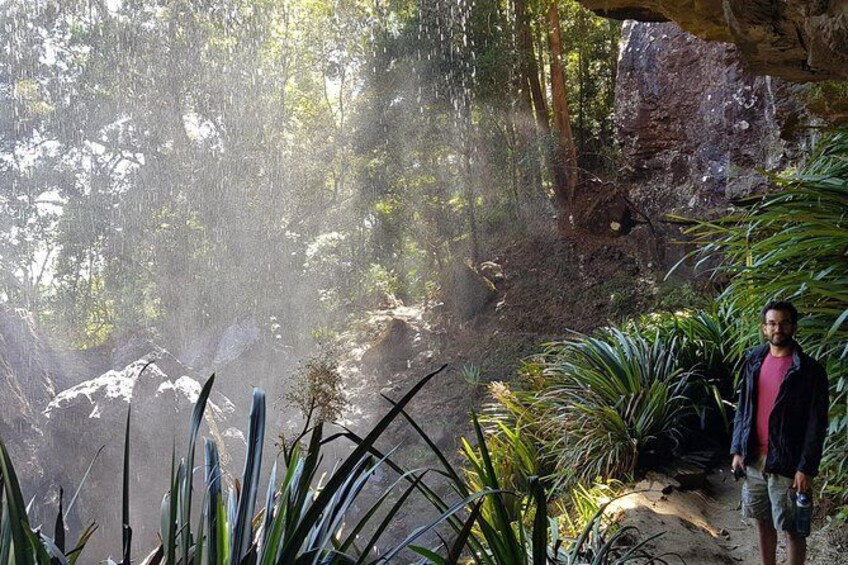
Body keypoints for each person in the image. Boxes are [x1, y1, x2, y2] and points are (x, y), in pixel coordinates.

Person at [730, 301, 828, 565]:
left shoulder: (810, 371)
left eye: (784, 322)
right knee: (763, 521)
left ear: (793, 327)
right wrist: (738, 449)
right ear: (764, 328)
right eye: (772, 323)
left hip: (788, 461)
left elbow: (816, 424)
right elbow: (744, 408)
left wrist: (805, 467)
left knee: (793, 528)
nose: (778, 328)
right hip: (754, 458)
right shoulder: (753, 361)